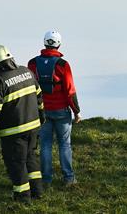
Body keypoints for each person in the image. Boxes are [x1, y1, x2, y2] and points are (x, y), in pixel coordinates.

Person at [0, 44, 45, 203]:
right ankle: (37, 192)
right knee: (31, 159)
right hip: (33, 127)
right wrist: (42, 116)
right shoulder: (26, 72)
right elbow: (39, 96)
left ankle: (23, 198)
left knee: (16, 164)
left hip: (13, 132)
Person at [28, 31, 81, 187]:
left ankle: (46, 179)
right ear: (59, 44)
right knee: (64, 144)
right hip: (61, 111)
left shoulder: (32, 63)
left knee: (45, 145)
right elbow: (70, 91)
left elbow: (30, 88)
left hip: (42, 111)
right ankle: (69, 179)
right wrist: (76, 111)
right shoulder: (63, 65)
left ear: (44, 43)